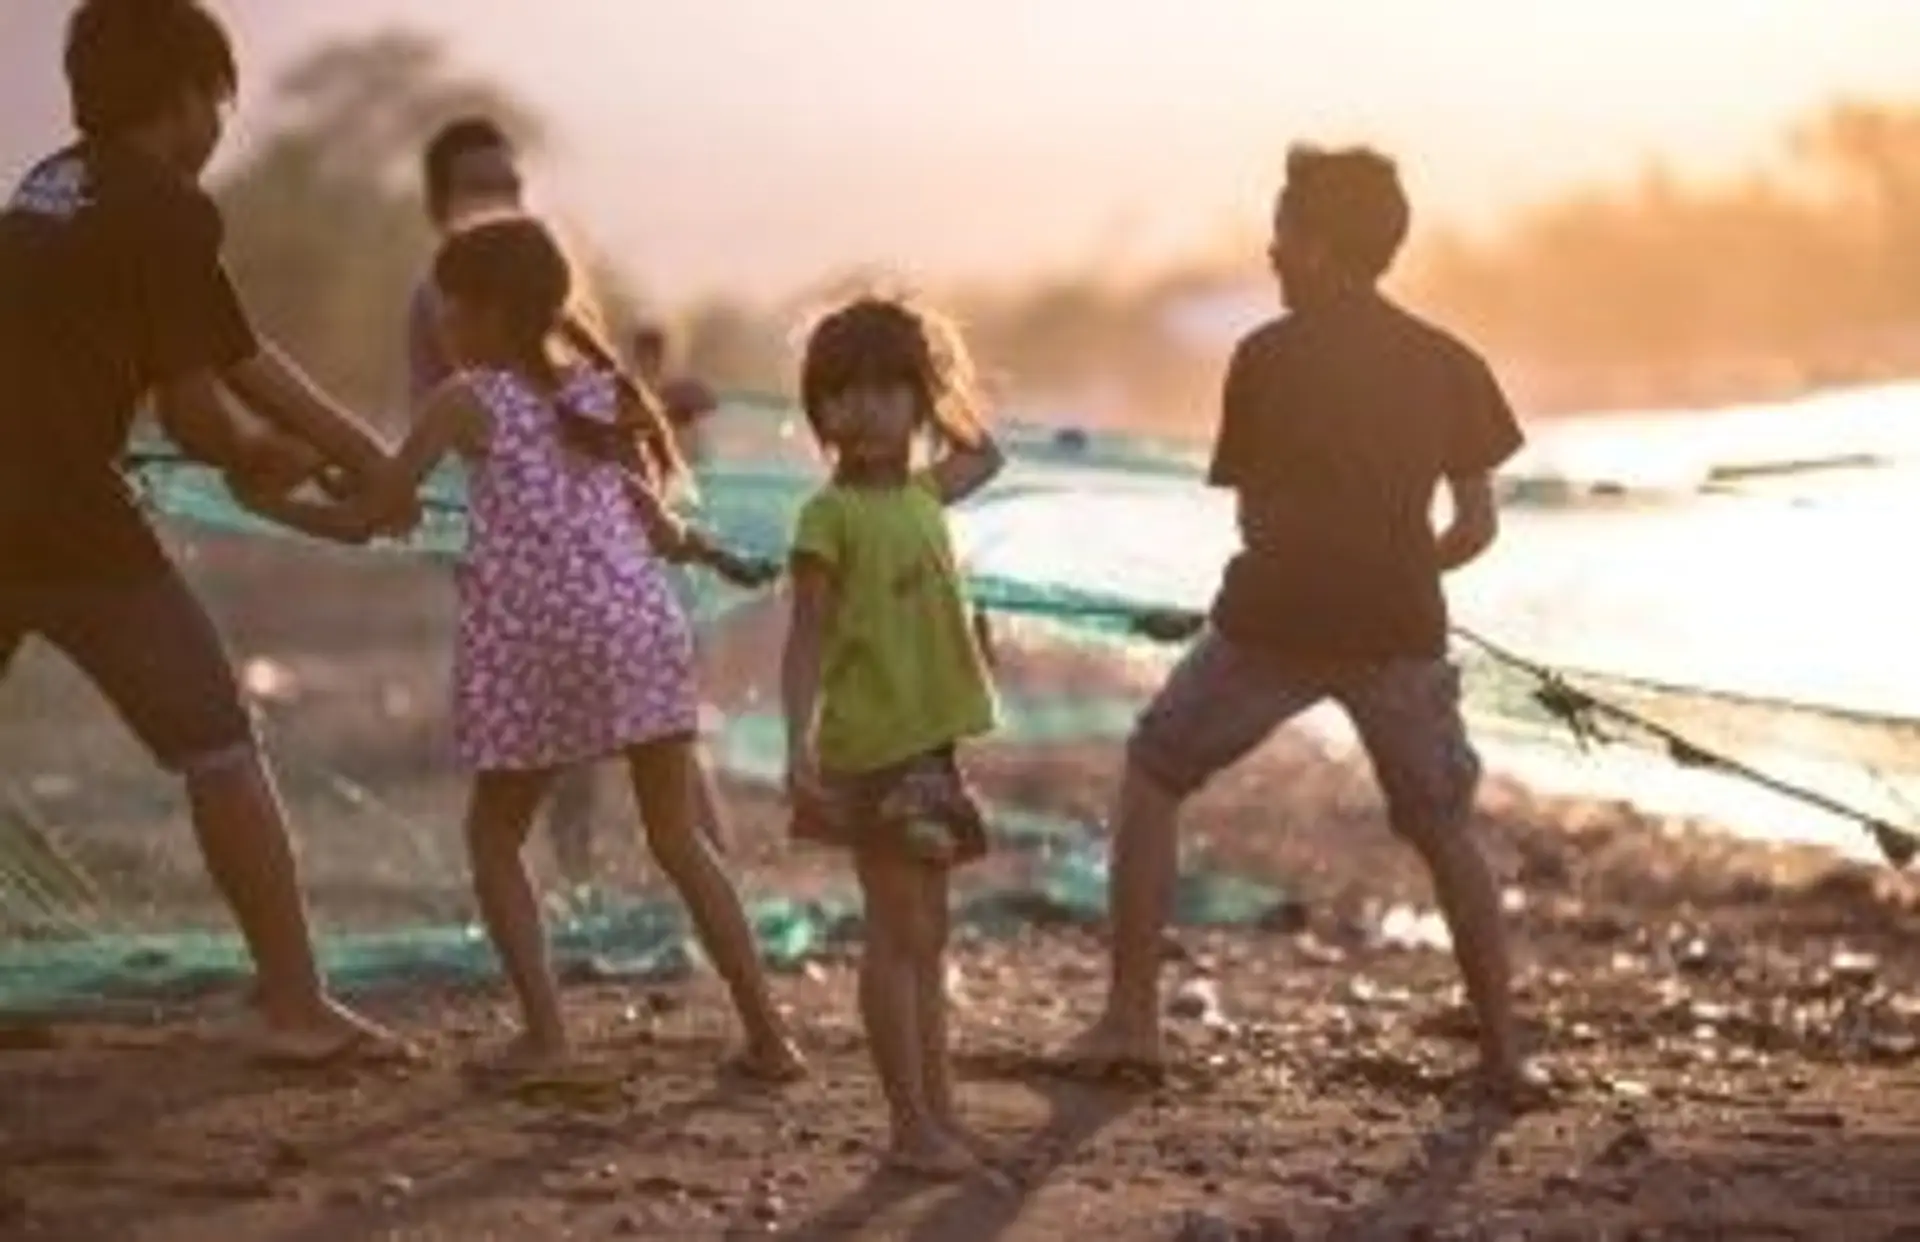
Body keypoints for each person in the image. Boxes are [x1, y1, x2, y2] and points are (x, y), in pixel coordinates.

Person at [255, 215, 805, 1078]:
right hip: (642, 626)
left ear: (489, 313)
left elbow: (374, 515)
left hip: (536, 641)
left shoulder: (463, 401)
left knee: (494, 840)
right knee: (678, 839)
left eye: (450, 306)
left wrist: (266, 505)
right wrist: (711, 554)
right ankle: (772, 1038)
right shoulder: (600, 391)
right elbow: (652, 525)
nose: (438, 323)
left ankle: (548, 1039)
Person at [1061, 146, 1539, 1102]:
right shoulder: (1452, 364)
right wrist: (1405, 567)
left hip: (1271, 622)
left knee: (1155, 772)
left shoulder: (1263, 360)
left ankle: (1133, 1024)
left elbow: (1256, 519)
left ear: (1316, 248)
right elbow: (1476, 526)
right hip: (1400, 627)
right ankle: (1504, 1056)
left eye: (1282, 233)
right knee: (1445, 828)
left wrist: (1321, 567)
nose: (1270, 251)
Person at [0, 0, 409, 1064]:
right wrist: (278, 463)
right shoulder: (169, 208)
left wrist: (359, 458)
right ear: (187, 99)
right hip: (65, 524)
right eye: (219, 97)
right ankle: (294, 1003)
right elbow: (201, 411)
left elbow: (234, 348)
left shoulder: (52, 187)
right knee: (220, 742)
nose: (222, 120)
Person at [781, 296, 1005, 1177]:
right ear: (820, 413)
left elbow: (986, 453)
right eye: (842, 394)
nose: (864, 410)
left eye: (886, 391)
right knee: (895, 928)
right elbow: (803, 638)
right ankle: (909, 1127)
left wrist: (936, 371)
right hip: (872, 752)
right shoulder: (826, 518)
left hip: (932, 747)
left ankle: (939, 1114)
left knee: (930, 933)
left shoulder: (922, 491)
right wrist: (796, 746)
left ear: (917, 402)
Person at [407, 117, 606, 893]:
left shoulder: (544, 282)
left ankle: (579, 881)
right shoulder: (442, 299)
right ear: (439, 204)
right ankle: (560, 885)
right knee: (533, 739)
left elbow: (594, 411)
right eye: (478, 187)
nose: (500, 200)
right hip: (502, 547)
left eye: (511, 186)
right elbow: (429, 419)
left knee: (587, 733)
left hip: (577, 557)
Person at [631, 321, 719, 469]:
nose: (648, 361)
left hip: (676, 464)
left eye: (653, 355)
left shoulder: (679, 390)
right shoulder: (628, 387)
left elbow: (707, 404)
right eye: (644, 355)